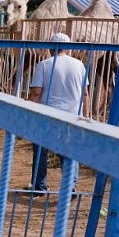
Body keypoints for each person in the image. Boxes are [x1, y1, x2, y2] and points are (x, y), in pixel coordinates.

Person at [26, 32, 88, 194]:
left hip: (48, 114)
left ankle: (39, 186)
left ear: (51, 48)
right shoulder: (79, 65)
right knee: (68, 152)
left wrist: (27, 112)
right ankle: (69, 185)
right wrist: (86, 117)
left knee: (40, 149)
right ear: (68, 47)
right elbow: (85, 93)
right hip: (72, 115)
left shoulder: (44, 65)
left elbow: (36, 93)